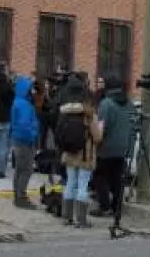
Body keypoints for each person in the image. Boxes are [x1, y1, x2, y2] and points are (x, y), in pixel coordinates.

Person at [56, 74, 103, 227]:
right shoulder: (89, 114)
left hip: (69, 153)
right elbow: (97, 137)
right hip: (85, 155)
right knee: (82, 185)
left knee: (70, 183)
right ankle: (81, 220)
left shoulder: (64, 112)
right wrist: (100, 128)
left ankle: (67, 217)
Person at [90, 71, 133, 218]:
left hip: (107, 147)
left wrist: (97, 141)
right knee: (117, 179)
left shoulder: (107, 103)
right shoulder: (129, 103)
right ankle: (117, 207)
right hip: (123, 147)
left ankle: (104, 206)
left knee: (99, 176)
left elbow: (102, 127)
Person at [9, 76, 40, 209]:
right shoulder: (24, 105)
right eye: (31, 88)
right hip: (25, 141)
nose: (33, 91)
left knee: (19, 169)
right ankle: (21, 197)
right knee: (26, 169)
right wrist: (33, 136)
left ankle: (18, 196)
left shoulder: (18, 102)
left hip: (18, 139)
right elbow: (24, 125)